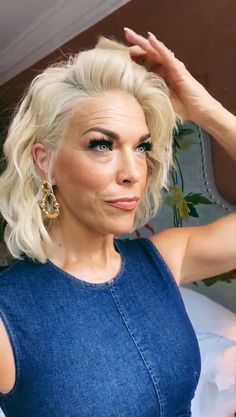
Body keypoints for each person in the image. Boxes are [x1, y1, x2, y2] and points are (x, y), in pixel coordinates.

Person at [0, 27, 235, 417]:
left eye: (141, 147)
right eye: (102, 144)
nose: (132, 172)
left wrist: (203, 110)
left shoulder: (165, 259)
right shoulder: (8, 315)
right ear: (46, 162)